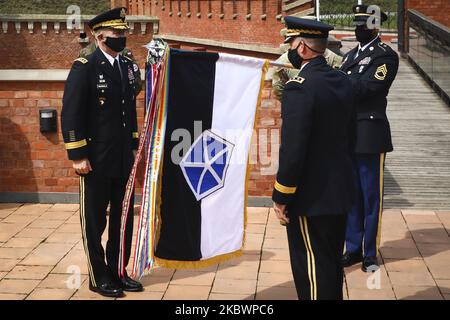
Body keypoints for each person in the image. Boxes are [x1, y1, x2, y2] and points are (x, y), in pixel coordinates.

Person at [61, 7, 143, 298]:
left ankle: (119, 272)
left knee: (123, 218)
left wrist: (134, 145)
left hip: (121, 157)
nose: (122, 37)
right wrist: (77, 154)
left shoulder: (125, 65)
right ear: (99, 36)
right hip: (94, 159)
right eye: (116, 33)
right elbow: (71, 113)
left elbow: (129, 111)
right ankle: (98, 277)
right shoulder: (85, 66)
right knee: (95, 220)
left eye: (123, 33)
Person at [272, 16, 356, 300]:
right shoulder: (343, 81)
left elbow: (293, 150)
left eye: (292, 45)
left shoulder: (299, 87)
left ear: (304, 48)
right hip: (340, 192)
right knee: (331, 264)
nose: (290, 51)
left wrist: (282, 194)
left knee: (311, 270)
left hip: (310, 199)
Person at [340, 4, 399, 272]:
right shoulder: (350, 54)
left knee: (371, 195)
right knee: (351, 193)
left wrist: (337, 80)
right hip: (348, 132)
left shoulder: (386, 56)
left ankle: (369, 252)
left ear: (376, 26)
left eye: (364, 24)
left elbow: (368, 88)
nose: (358, 28)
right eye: (357, 24)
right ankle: (352, 248)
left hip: (370, 133)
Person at [272, 16, 343, 101]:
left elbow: (278, 89)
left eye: (292, 44)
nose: (291, 48)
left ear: (302, 46)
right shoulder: (338, 61)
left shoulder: (334, 59)